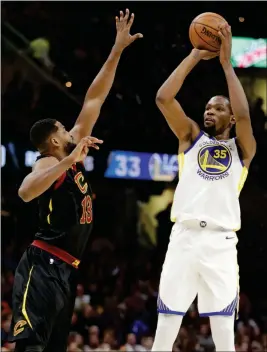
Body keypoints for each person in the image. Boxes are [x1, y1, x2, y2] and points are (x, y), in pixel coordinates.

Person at [9, 9, 143, 352]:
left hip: (67, 270)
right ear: (55, 141)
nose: (72, 130)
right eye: (64, 131)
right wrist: (70, 160)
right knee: (30, 348)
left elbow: (95, 97)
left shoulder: (72, 143)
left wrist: (117, 49)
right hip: (42, 264)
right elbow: (25, 193)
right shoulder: (47, 163)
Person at [152, 24, 256, 351]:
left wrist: (227, 65)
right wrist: (194, 55)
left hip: (220, 242)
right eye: (208, 107)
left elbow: (244, 112)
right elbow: (163, 98)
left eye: (218, 108)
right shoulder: (191, 138)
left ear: (231, 117)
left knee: (224, 336)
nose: (210, 111)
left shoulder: (243, 148)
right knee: (166, 327)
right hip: (183, 236)